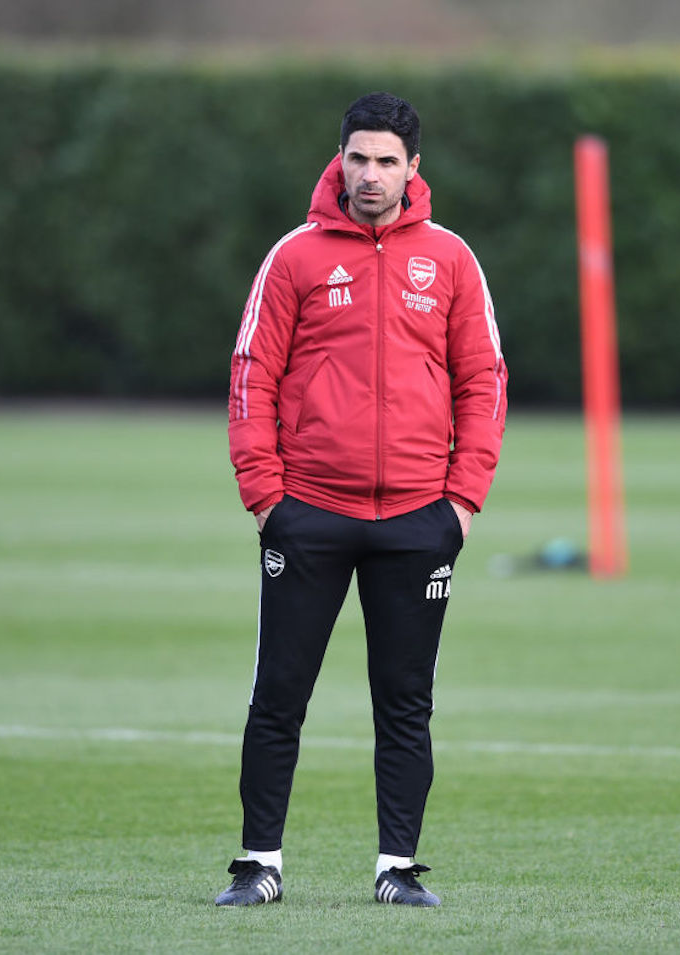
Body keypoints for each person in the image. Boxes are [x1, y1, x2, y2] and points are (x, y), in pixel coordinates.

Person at [218, 91, 507, 908]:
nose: (370, 174)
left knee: (406, 701)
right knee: (279, 692)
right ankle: (257, 863)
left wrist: (462, 502)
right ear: (338, 160)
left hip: (419, 519)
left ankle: (397, 868)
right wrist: (267, 498)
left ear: (414, 169)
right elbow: (251, 374)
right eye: (358, 158)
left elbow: (483, 379)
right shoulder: (296, 257)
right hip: (308, 511)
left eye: (386, 161)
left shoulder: (450, 259)